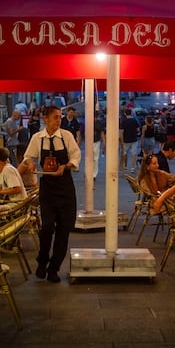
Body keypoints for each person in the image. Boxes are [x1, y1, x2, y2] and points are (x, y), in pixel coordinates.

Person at [19, 105, 81, 283]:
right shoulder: (37, 138)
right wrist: (30, 163)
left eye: (60, 117)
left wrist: (66, 165)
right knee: (46, 227)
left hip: (65, 188)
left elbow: (76, 155)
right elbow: (28, 157)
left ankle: (54, 268)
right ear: (45, 118)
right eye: (55, 117)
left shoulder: (66, 136)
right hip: (47, 188)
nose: (58, 120)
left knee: (64, 230)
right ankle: (42, 260)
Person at [119, 108, 140, 173]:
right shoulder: (134, 120)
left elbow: (121, 132)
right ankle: (132, 168)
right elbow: (138, 129)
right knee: (134, 153)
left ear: (125, 114)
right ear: (131, 113)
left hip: (126, 139)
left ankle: (125, 166)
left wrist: (122, 141)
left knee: (125, 153)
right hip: (134, 139)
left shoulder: (124, 122)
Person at [93, 111, 106, 181]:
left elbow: (102, 133)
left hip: (97, 142)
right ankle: (90, 173)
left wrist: (104, 142)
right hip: (90, 142)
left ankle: (94, 174)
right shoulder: (89, 122)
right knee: (91, 158)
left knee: (95, 158)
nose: (94, 118)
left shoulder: (99, 124)